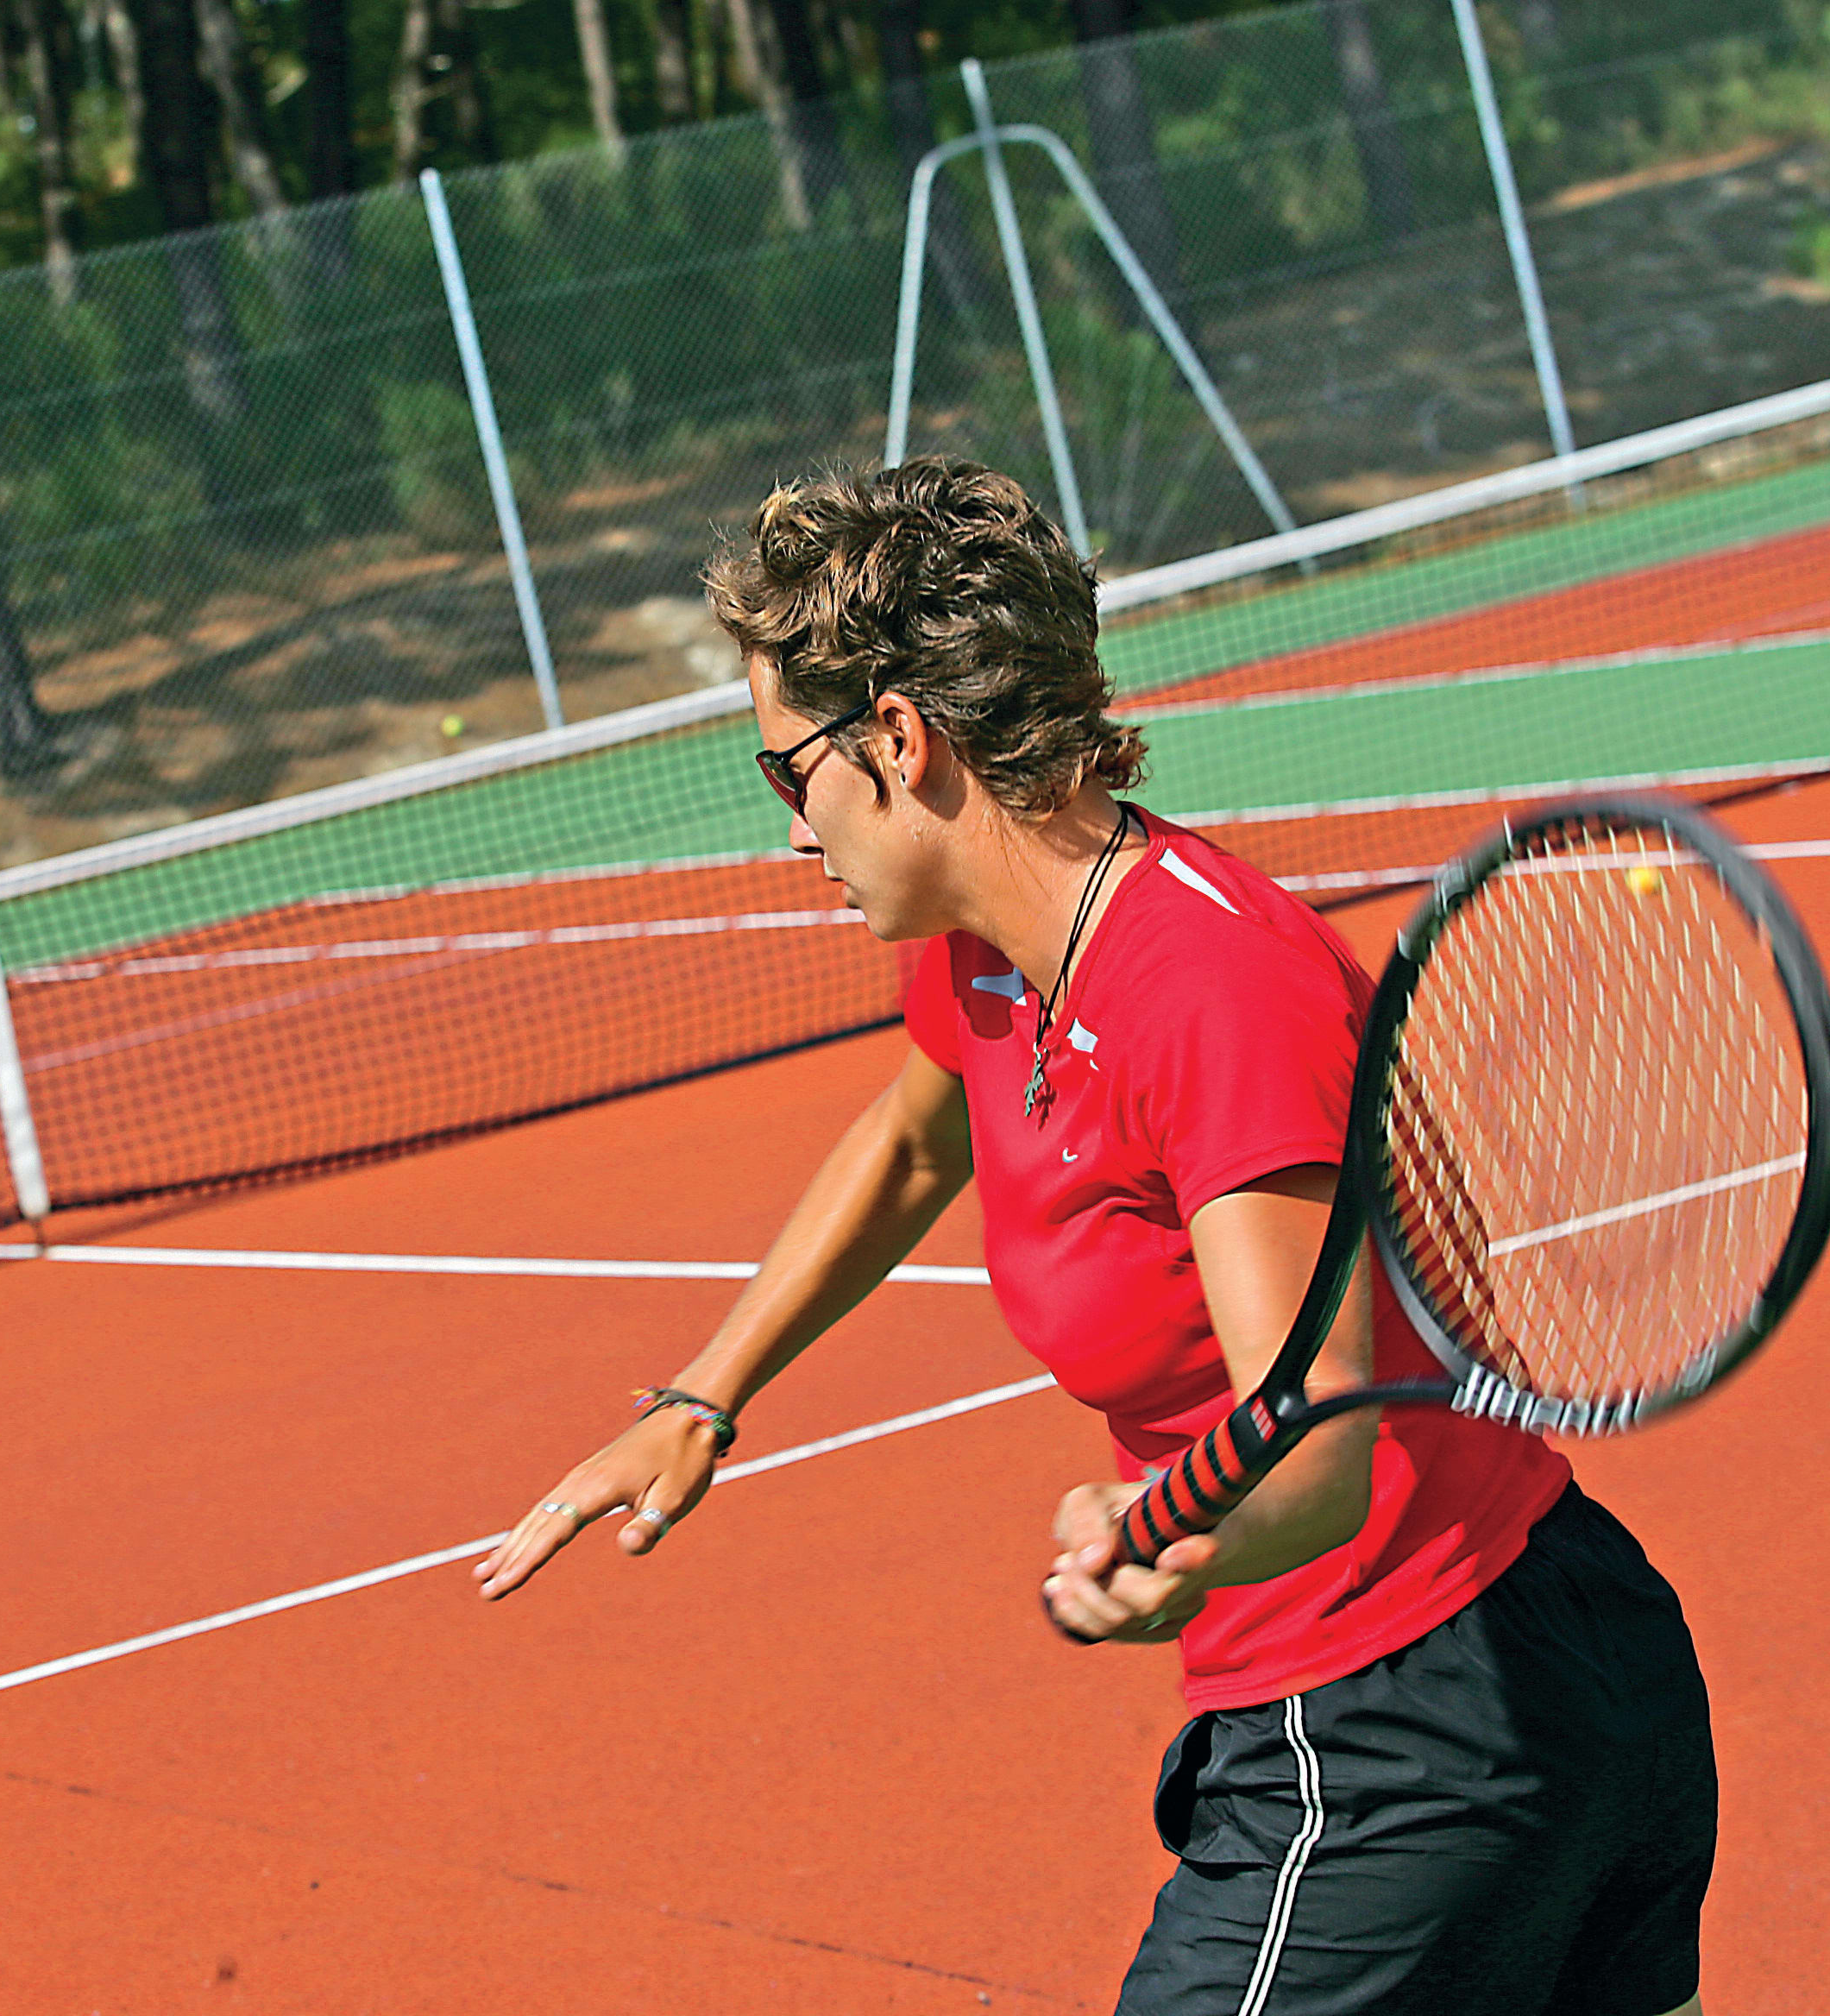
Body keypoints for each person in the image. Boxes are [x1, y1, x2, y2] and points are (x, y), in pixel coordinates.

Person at [475, 460, 1717, 2016]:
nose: (792, 831)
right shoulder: (996, 951)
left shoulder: (1208, 988)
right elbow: (911, 1142)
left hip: (1406, 1717)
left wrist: (1171, 1546)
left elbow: (1314, 1439)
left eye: (788, 773)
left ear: (900, 740)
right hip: (1488, 1669)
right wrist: (701, 1396)